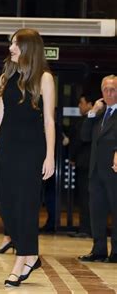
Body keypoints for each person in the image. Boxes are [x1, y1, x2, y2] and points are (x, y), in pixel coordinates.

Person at [0, 28, 55, 287]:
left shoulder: (44, 78)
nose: (11, 48)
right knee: (9, 207)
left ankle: (20, 262)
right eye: (11, 43)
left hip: (32, 152)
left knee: (26, 207)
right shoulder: (6, 77)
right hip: (8, 150)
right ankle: (31, 256)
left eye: (15, 44)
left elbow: (49, 120)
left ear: (29, 48)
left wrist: (50, 156)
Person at [78, 75, 117, 263]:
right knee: (97, 212)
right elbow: (84, 136)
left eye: (113, 89)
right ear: (101, 93)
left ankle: (116, 251)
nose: (109, 93)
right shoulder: (99, 113)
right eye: (106, 90)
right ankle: (99, 249)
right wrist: (92, 112)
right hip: (96, 172)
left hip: (114, 170)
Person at [68, 94, 93, 238]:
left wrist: (72, 157)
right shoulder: (89, 120)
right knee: (85, 197)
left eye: (81, 103)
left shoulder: (88, 120)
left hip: (85, 163)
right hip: (86, 163)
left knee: (85, 197)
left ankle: (86, 228)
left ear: (90, 104)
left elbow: (78, 140)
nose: (79, 105)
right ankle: (85, 227)